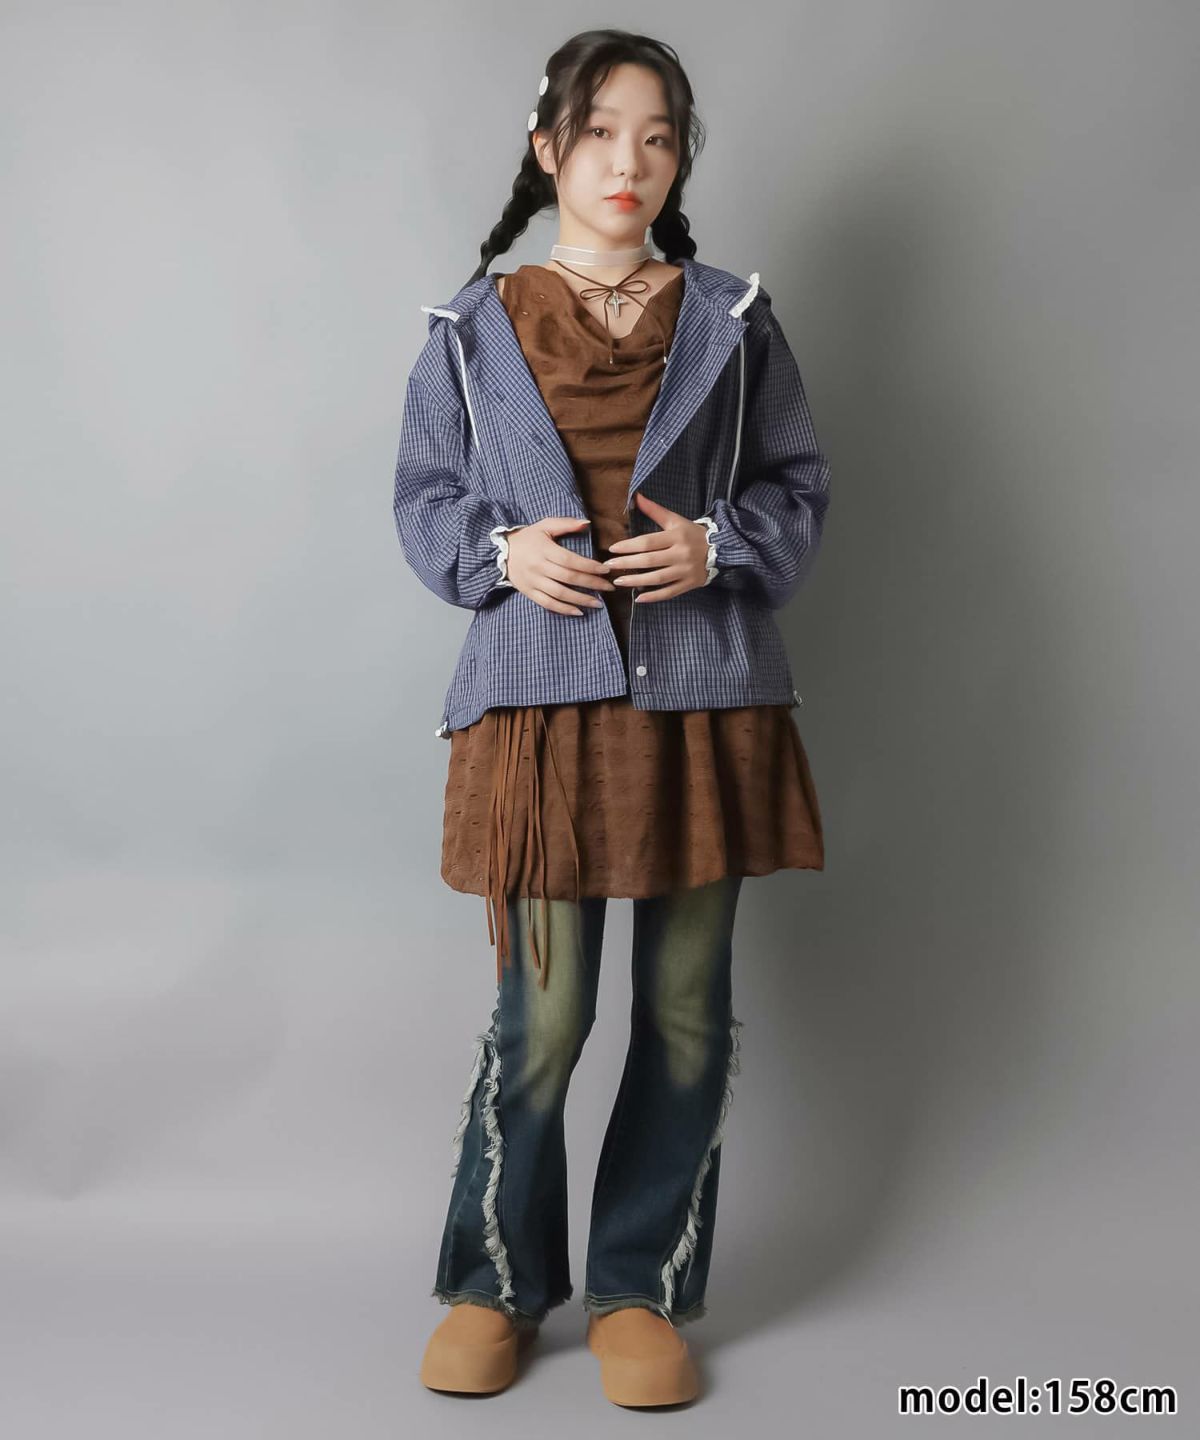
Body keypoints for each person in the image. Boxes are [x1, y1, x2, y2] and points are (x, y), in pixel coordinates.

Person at [393, 28, 831, 1407]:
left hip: (705, 701)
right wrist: (499, 556)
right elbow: (424, 498)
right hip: (537, 710)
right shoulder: (472, 328)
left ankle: (641, 1289)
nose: (627, 161)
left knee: (688, 1011)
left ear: (680, 157)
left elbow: (798, 482)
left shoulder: (734, 320)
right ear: (548, 150)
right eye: (597, 132)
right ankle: (497, 1284)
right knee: (544, 1015)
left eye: (657, 135)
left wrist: (719, 543)